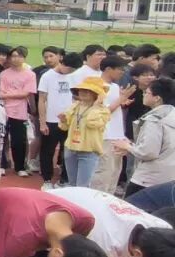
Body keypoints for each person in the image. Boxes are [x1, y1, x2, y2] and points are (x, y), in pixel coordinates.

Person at [116, 76, 175, 195]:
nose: (143, 95)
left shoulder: (154, 120)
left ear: (157, 98)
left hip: (148, 179)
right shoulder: (171, 115)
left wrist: (128, 147)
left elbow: (148, 152)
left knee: (131, 205)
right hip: (169, 178)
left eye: (146, 92)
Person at [90, 55, 133, 194]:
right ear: (108, 69)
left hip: (116, 136)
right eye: (120, 69)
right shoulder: (96, 85)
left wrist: (122, 101)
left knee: (115, 172)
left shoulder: (114, 86)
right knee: (103, 173)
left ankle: (109, 200)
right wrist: (121, 99)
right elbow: (101, 111)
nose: (122, 72)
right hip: (104, 135)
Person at [37, 51, 80, 189]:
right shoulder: (47, 76)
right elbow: (42, 100)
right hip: (51, 120)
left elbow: (77, 98)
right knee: (47, 151)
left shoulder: (74, 76)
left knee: (69, 151)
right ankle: (47, 180)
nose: (71, 72)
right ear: (63, 63)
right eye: (70, 69)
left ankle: (64, 180)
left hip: (69, 121)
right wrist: (42, 122)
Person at [58, 75, 110, 188]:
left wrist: (96, 106)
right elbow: (64, 127)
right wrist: (63, 120)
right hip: (71, 149)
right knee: (72, 185)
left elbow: (92, 123)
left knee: (82, 187)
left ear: (97, 94)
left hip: (88, 151)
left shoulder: (103, 111)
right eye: (81, 89)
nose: (82, 92)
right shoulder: (74, 106)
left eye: (88, 90)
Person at [0, 47, 36, 177]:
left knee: (19, 140)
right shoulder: (4, 74)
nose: (15, 59)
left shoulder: (30, 75)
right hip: (4, 110)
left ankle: (19, 167)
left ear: (24, 58)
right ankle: (1, 165)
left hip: (20, 111)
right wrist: (16, 94)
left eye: (19, 56)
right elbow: (1, 92)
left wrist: (9, 94)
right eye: (13, 56)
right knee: (1, 138)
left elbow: (26, 93)